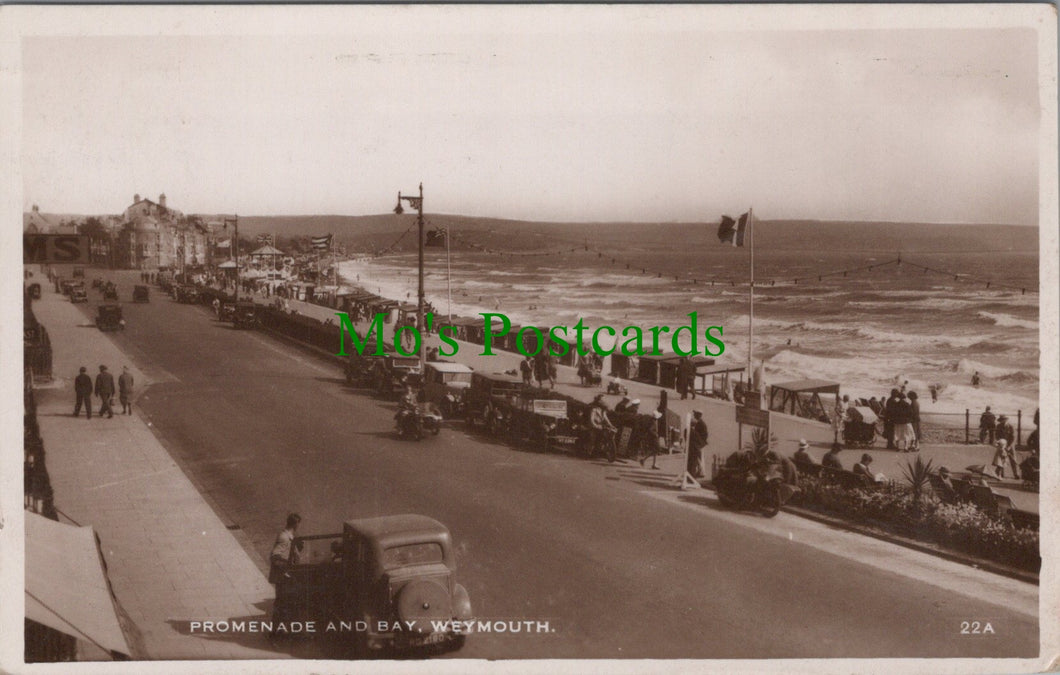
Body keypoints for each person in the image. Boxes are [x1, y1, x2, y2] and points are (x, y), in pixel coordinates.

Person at [688, 410, 708, 478]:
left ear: (699, 415)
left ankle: (701, 472)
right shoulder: (698, 422)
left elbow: (705, 435)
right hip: (698, 443)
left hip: (699, 443)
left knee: (699, 458)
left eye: (695, 414)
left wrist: (701, 443)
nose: (694, 415)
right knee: (698, 458)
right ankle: (700, 472)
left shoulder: (701, 424)